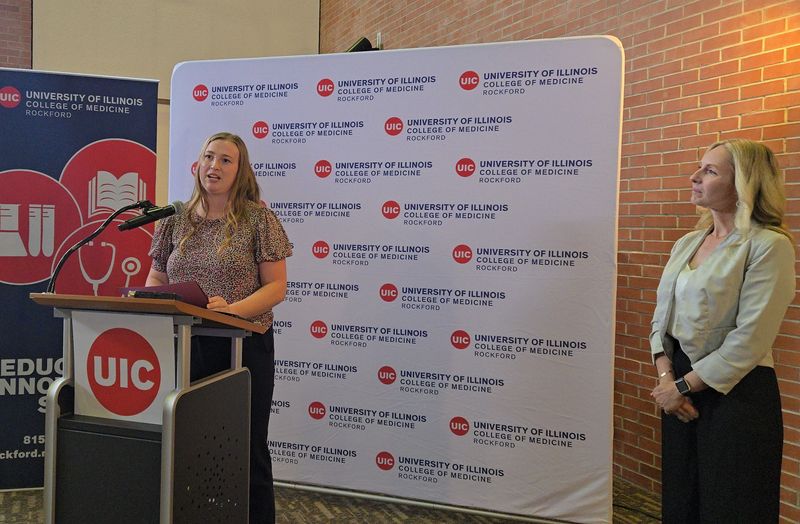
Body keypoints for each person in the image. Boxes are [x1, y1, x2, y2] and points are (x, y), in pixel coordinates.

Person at [146, 132, 291, 523]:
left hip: (242, 344)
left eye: (226, 160)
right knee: (188, 444)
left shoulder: (258, 218)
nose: (215, 166)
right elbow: (156, 280)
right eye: (209, 156)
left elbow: (276, 287)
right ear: (198, 164)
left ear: (240, 170)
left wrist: (232, 312)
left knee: (245, 446)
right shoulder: (173, 219)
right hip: (185, 343)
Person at [649, 139, 795, 523]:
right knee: (682, 500)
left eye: (710, 171)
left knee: (731, 504)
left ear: (744, 185)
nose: (694, 177)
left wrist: (681, 387)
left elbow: (751, 339)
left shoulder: (768, 246)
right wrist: (668, 380)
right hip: (678, 389)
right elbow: (661, 319)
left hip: (737, 393)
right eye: (700, 167)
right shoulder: (687, 243)